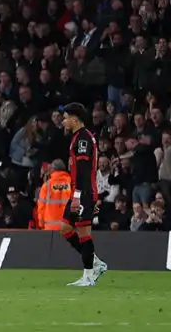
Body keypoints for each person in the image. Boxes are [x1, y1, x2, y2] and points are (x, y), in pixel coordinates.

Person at [58, 103, 109, 287]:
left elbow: (84, 170)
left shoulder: (83, 139)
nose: (63, 121)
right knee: (65, 228)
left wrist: (79, 196)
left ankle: (88, 276)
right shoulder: (78, 137)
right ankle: (95, 263)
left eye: (65, 118)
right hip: (79, 192)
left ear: (74, 119)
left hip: (83, 192)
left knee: (84, 233)